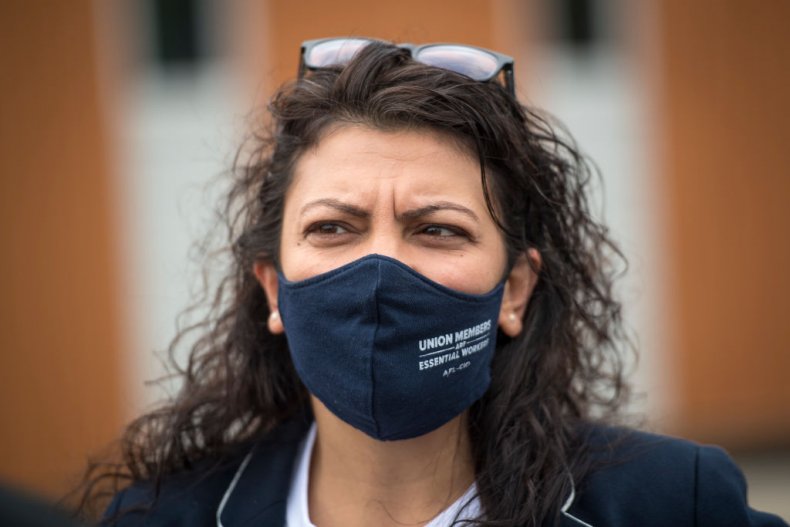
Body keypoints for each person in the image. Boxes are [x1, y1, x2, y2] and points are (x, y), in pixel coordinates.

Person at [79, 38, 787, 527]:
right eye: (333, 227)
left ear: (513, 290)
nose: (381, 271)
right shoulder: (164, 515)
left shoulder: (669, 504)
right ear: (273, 289)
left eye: (437, 228)